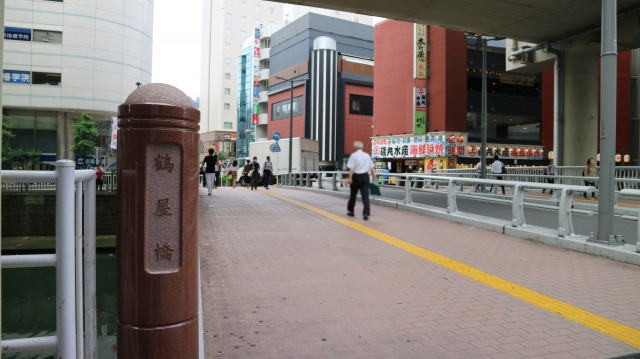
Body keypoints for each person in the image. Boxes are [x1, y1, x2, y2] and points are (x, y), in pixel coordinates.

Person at [347, 141, 376, 220]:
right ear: (362, 147)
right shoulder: (367, 155)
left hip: (356, 176)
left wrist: (350, 177)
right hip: (365, 176)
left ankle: (351, 211)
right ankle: (366, 213)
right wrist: (373, 177)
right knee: (365, 196)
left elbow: (351, 168)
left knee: (353, 195)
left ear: (355, 147)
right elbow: (372, 168)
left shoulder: (353, 155)